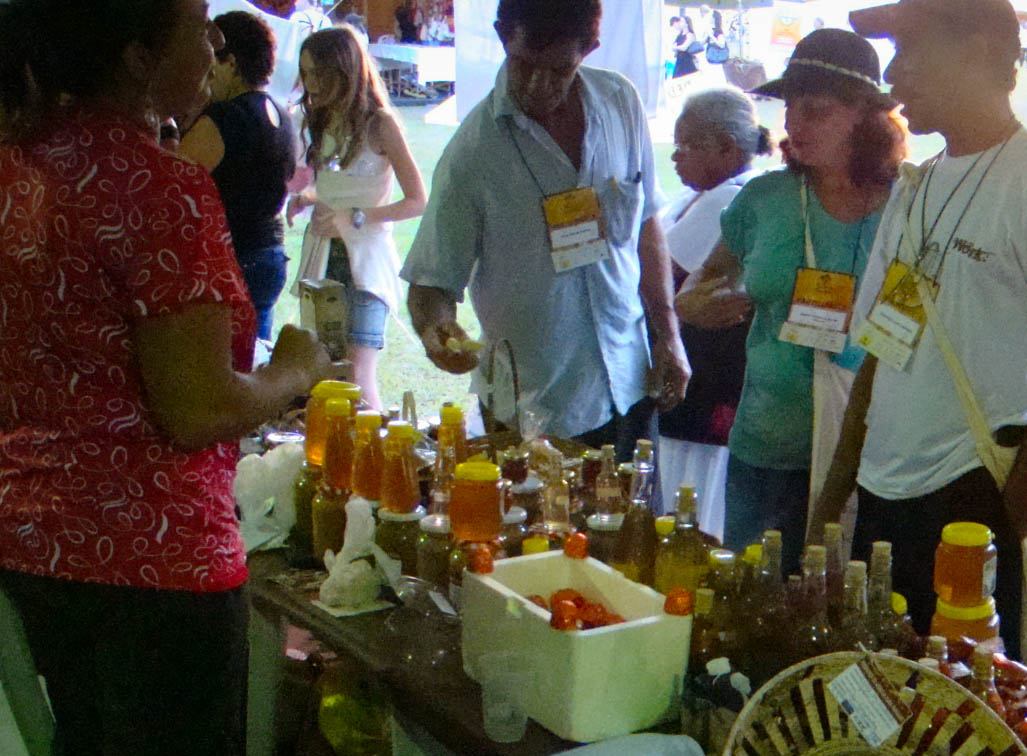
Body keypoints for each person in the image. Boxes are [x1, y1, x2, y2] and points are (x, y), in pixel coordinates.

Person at [0, 0, 332, 756]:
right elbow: (194, 408)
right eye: (195, 26)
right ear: (137, 52)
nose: (214, 47)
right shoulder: (154, 188)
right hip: (156, 560)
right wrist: (293, 372)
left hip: (37, 544)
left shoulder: (20, 165)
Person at [823, 0, 1027, 672]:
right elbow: (879, 354)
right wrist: (832, 510)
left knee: (960, 729)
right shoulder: (916, 188)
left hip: (968, 503)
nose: (893, 75)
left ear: (977, 49)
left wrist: (993, 544)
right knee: (876, 703)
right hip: (882, 504)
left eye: (910, 50)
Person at [403, 0, 689, 465]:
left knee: (634, 532)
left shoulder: (620, 103)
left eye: (559, 69)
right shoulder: (472, 153)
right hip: (534, 408)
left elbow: (645, 225)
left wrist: (668, 333)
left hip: (632, 379)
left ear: (590, 49)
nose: (537, 85)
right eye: (524, 63)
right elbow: (431, 282)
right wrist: (436, 330)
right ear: (502, 36)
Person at [676, 29, 903, 566]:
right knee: (753, 606)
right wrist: (701, 308)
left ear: (867, 118)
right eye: (790, 108)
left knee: (845, 614)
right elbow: (691, 294)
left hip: (873, 459)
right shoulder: (764, 199)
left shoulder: (908, 206)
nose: (792, 125)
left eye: (816, 111)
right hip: (766, 451)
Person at [288, 26, 427, 411]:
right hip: (323, 257)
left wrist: (357, 216)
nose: (309, 84)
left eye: (317, 73)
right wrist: (309, 197)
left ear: (342, 72)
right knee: (327, 371)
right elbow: (338, 184)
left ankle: (379, 455)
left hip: (366, 262)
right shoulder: (321, 120)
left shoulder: (380, 125)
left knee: (358, 372)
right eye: (306, 73)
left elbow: (417, 201)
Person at [657, 89, 772, 539]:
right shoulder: (701, 196)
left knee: (691, 498)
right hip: (701, 381)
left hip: (706, 384)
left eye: (687, 145)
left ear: (727, 147)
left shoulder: (726, 199)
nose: (675, 157)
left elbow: (657, 278)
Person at [179, 9, 298, 343]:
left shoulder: (225, 118)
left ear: (230, 62)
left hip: (234, 258)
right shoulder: (278, 113)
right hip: (270, 253)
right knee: (256, 356)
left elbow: (174, 181)